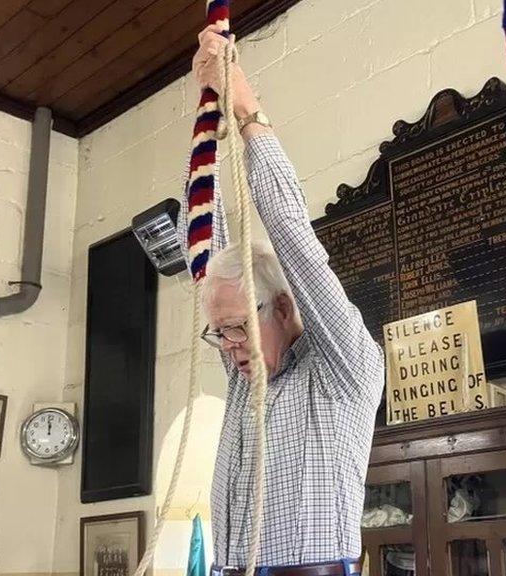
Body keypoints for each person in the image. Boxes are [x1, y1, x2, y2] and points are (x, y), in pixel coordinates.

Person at [176, 24, 384, 576]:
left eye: (239, 327)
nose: (230, 346)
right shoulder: (246, 368)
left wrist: (242, 103)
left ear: (286, 308)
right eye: (220, 332)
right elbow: (202, 244)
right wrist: (204, 126)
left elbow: (293, 236)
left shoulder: (346, 370)